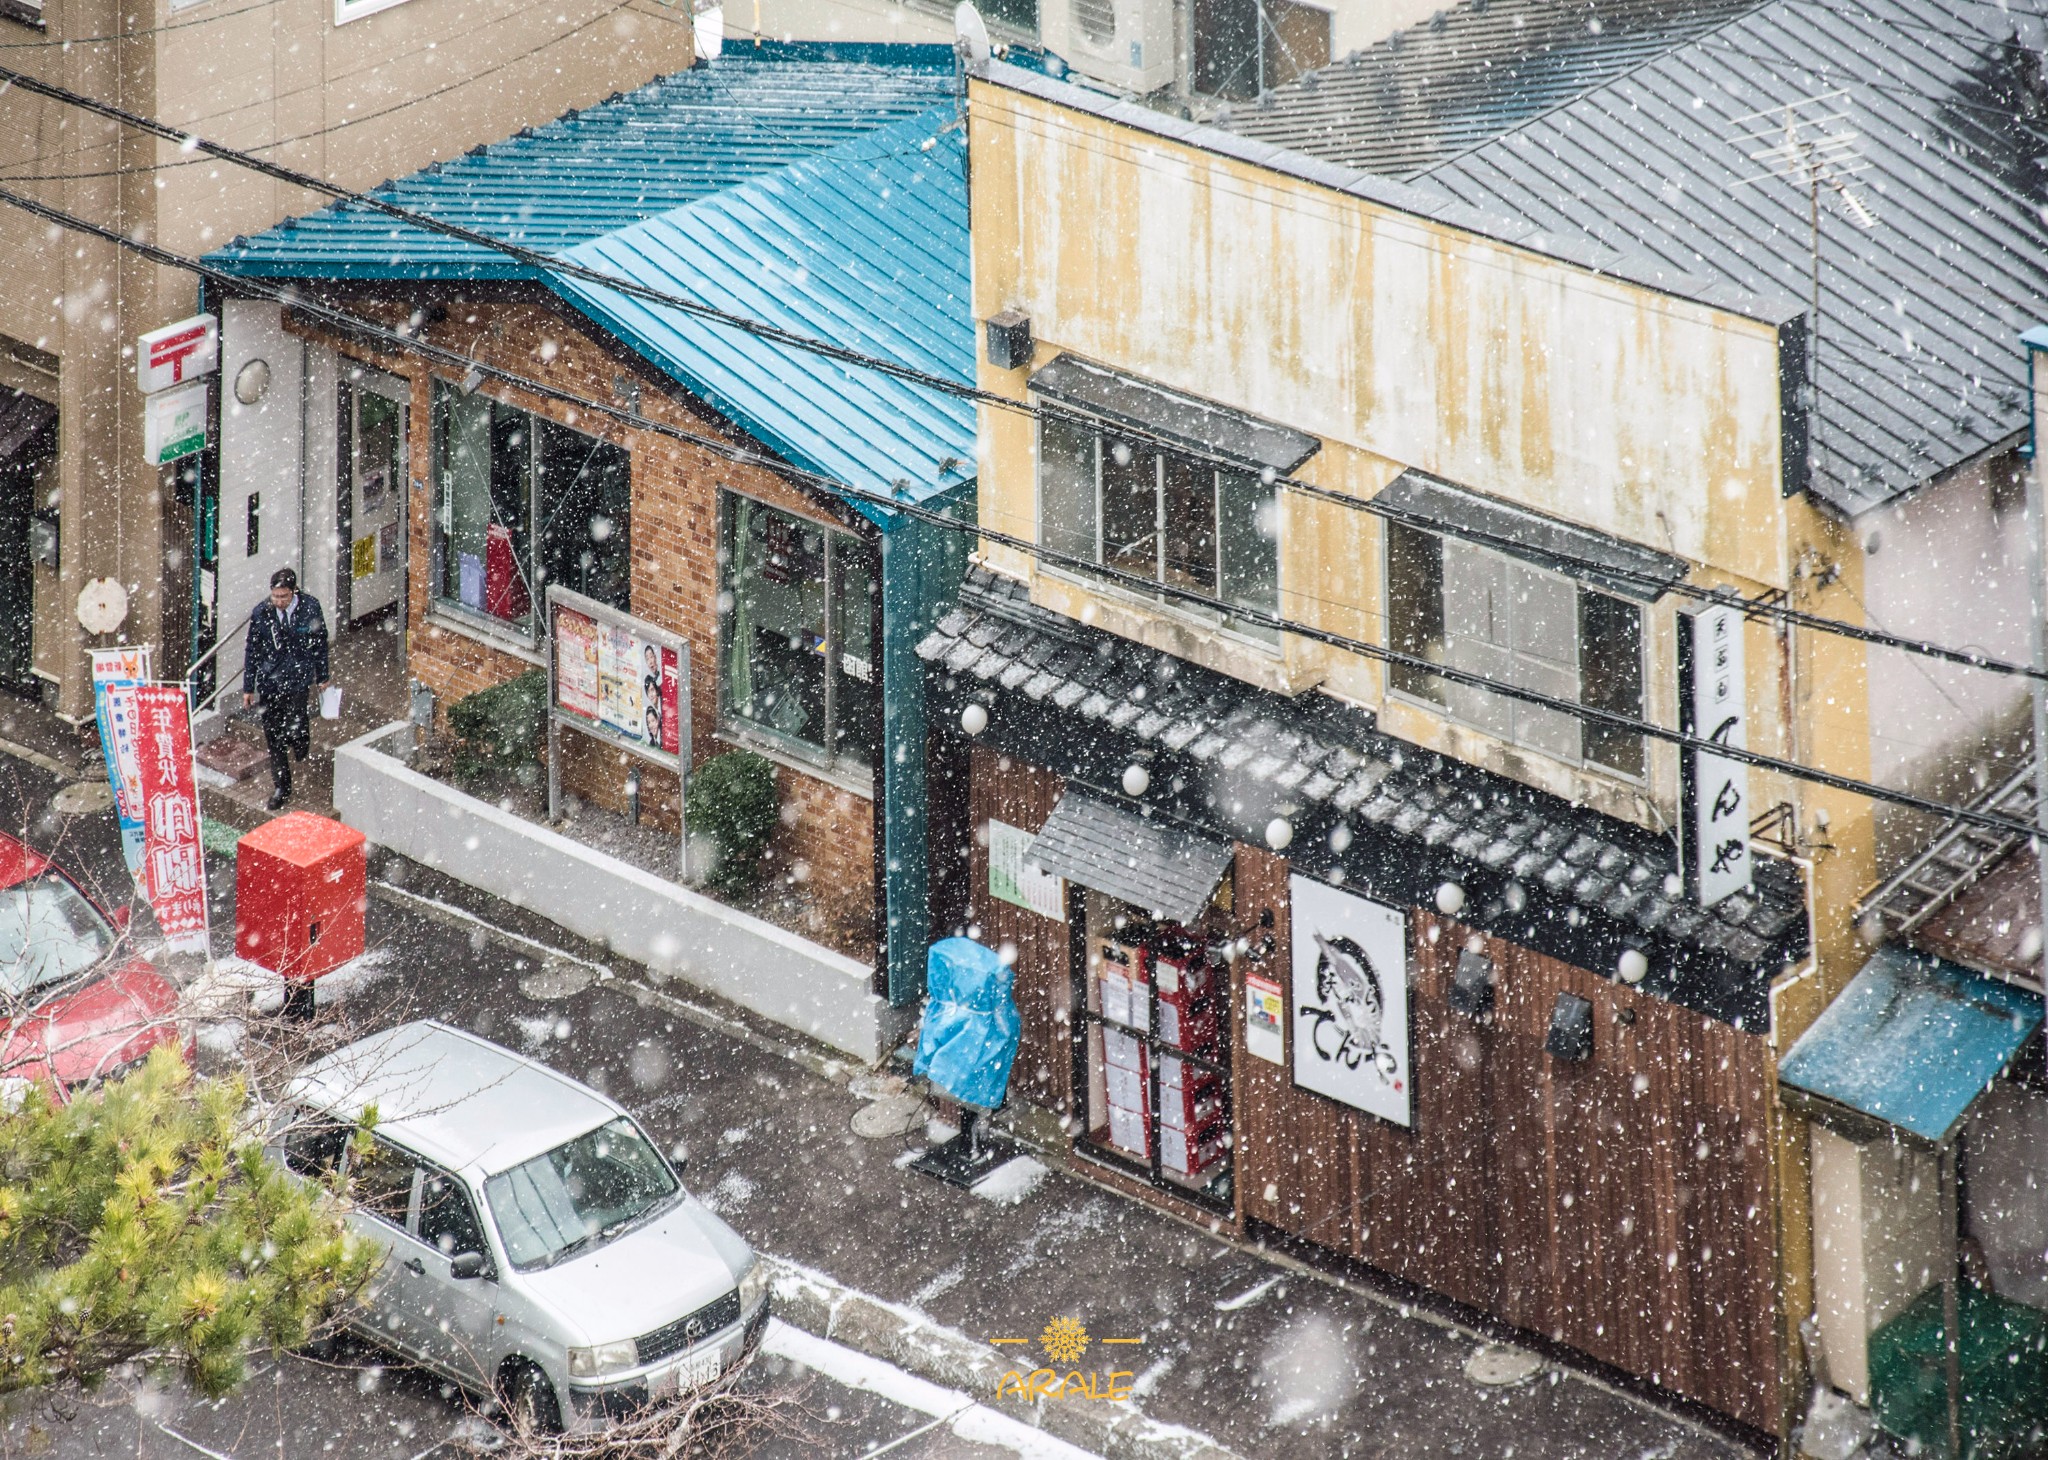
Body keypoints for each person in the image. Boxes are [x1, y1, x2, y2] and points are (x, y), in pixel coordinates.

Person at [242, 568, 330, 811]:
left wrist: (322, 675)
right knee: (273, 735)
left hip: (298, 680)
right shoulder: (262, 613)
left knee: (296, 721)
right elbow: (252, 649)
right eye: (275, 596)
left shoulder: (310, 608)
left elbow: (320, 643)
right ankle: (281, 785)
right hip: (270, 683)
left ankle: (301, 736)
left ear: (294, 592)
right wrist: (248, 687)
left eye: (284, 597)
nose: (279, 601)